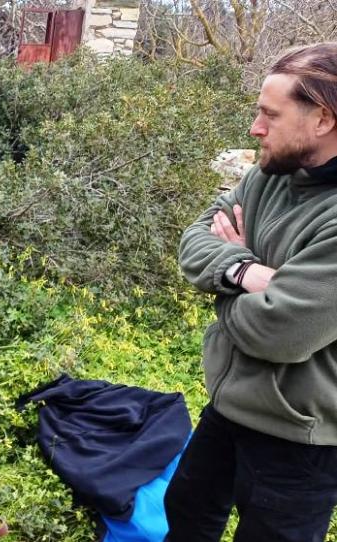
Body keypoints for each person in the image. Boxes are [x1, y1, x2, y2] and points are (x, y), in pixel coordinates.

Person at [170, 42, 337, 542]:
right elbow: (193, 241)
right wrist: (246, 273)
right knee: (187, 511)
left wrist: (221, 286)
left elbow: (280, 332)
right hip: (230, 404)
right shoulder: (270, 175)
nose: (254, 128)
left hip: (300, 438)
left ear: (323, 120)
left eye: (270, 114)